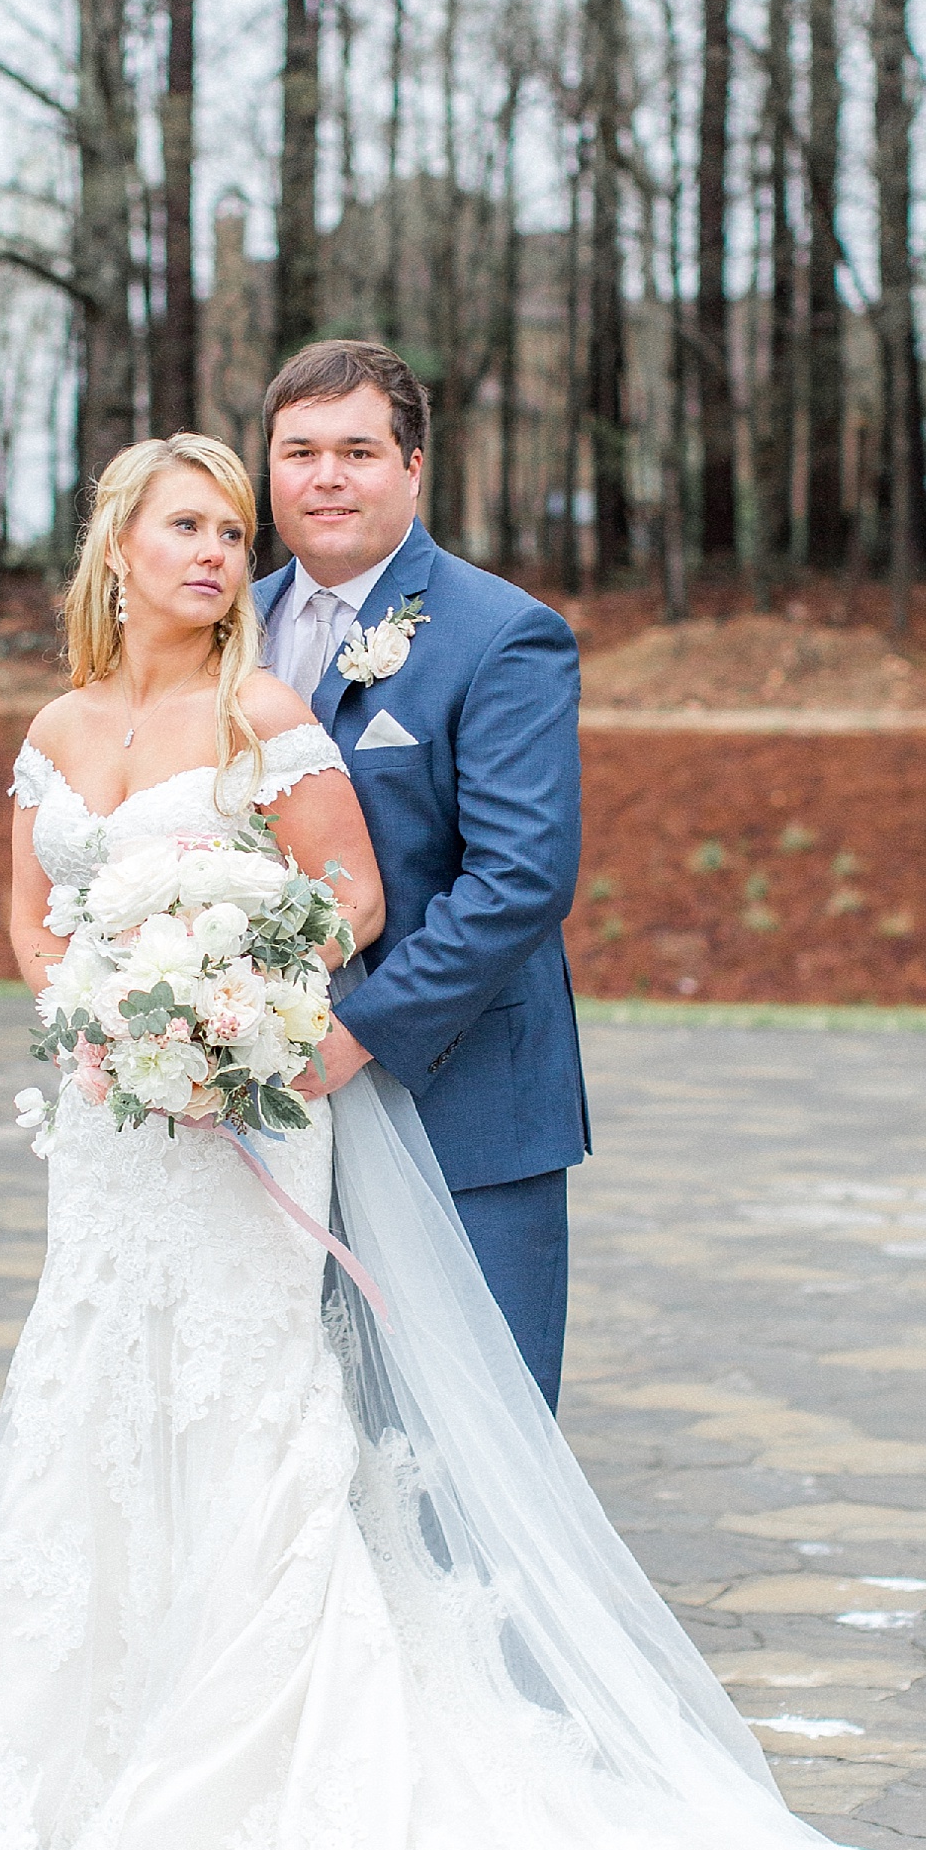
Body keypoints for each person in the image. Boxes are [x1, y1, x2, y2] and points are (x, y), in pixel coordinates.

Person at [0, 429, 926, 1850]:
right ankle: (75, 1775)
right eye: (192, 523)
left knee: (257, 1421)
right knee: (90, 1416)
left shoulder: (270, 709)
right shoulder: (56, 728)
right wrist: (98, 1009)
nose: (221, 551)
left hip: (245, 1102)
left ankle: (262, 1786)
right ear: (119, 543)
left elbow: (351, 896)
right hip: (115, 1135)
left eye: (234, 527)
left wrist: (225, 1000)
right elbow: (29, 920)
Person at [256, 339, 587, 1409]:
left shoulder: (503, 635)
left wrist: (356, 1033)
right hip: (262, 1111)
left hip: (460, 1101)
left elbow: (519, 878)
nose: (327, 476)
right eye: (300, 450)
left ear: (412, 467)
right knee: (297, 1430)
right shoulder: (224, 631)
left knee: (475, 1435)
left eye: (358, 448)